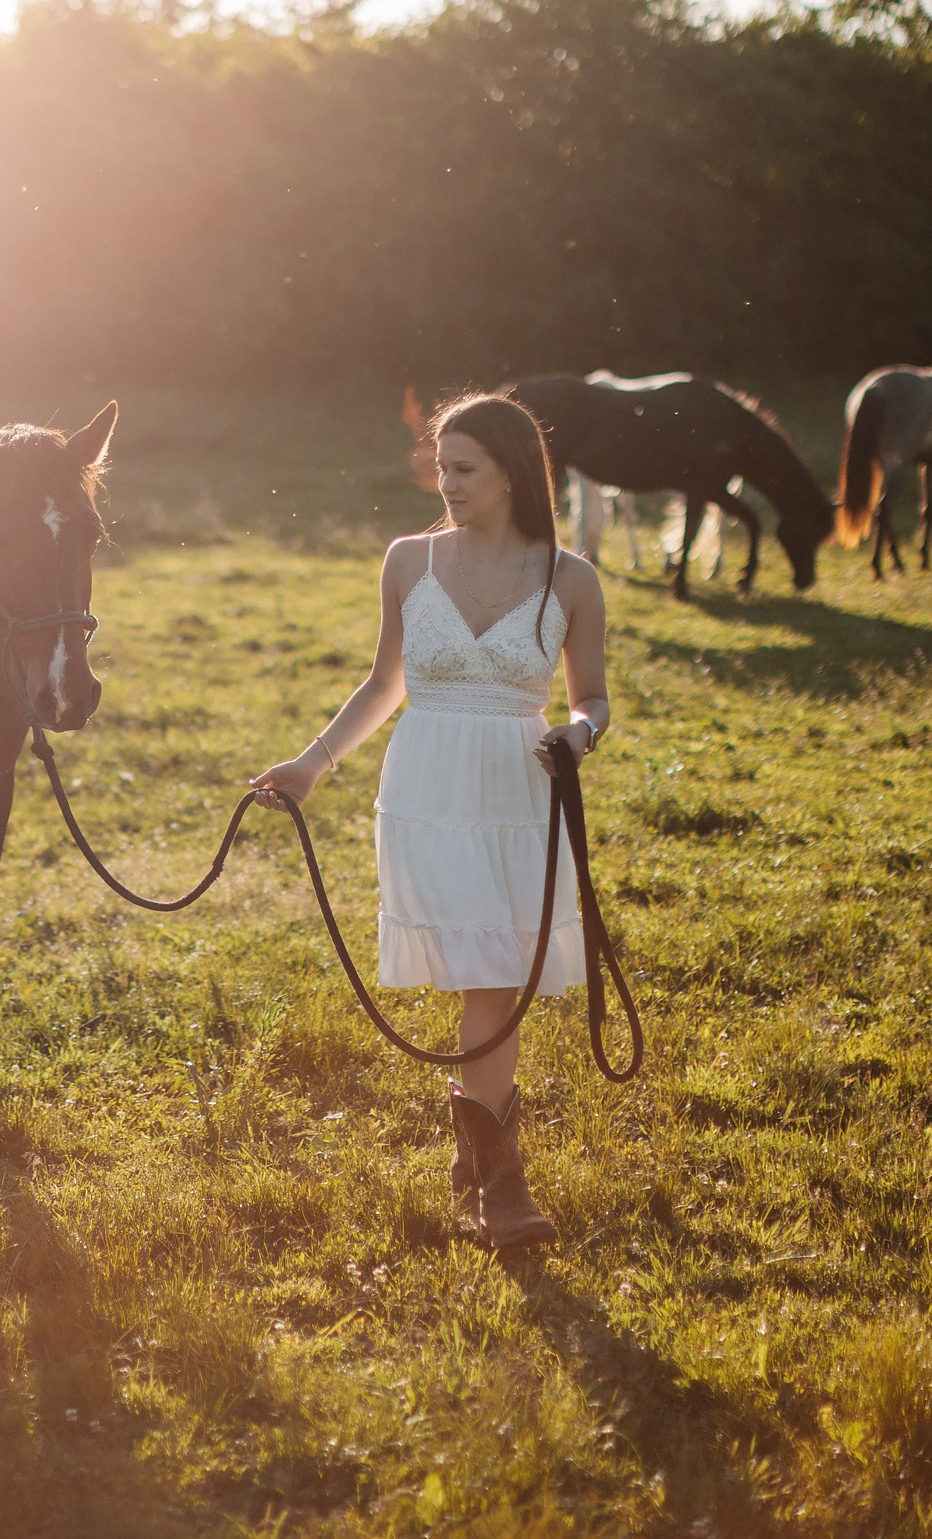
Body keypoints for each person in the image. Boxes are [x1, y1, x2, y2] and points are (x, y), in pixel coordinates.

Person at [250, 393, 610, 1250]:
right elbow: (386, 684)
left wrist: (580, 731)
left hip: (520, 795)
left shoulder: (572, 577)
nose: (443, 482)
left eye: (463, 468)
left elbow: (593, 696)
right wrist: (312, 764)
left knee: (498, 979)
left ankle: (489, 1172)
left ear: (512, 472)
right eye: (440, 466)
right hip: (429, 791)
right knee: (483, 970)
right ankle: (494, 1169)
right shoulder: (410, 562)